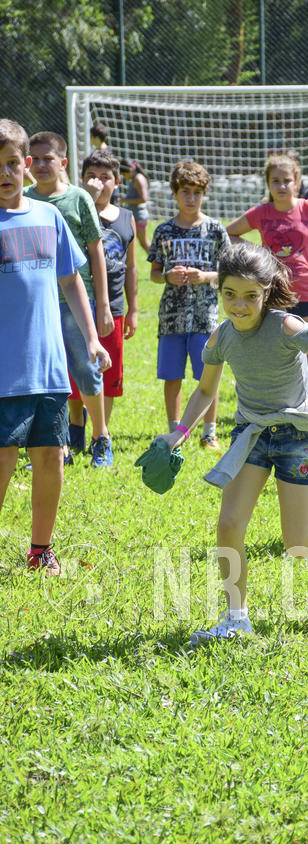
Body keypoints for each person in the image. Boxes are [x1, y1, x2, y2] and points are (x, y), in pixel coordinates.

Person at [151, 243, 308, 643]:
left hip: (299, 437)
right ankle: (237, 619)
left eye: (251, 296)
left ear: (267, 292)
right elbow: (204, 392)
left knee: (296, 545)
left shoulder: (288, 327)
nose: (239, 305)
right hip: (252, 435)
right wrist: (178, 433)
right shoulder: (221, 338)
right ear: (220, 291)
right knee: (229, 525)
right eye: (230, 294)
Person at [0, 119, 110, 574]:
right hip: (4, 371)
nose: (5, 174)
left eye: (11, 164)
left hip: (48, 368)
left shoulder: (50, 217)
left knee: (50, 457)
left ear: (26, 166)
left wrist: (90, 339)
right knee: (3, 460)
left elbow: (70, 279)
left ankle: (41, 550)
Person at [227, 153, 308, 398]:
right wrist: (257, 255)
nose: (282, 186)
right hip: (273, 291)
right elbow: (229, 233)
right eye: (276, 181)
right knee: (276, 351)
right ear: (268, 184)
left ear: (297, 182)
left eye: (287, 180)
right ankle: (281, 402)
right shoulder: (261, 213)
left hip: (304, 289)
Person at [25, 131, 115, 467]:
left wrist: (103, 305)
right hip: (37, 304)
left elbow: (96, 250)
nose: (42, 165)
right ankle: (57, 443)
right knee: (47, 373)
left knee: (86, 368)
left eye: (49, 158)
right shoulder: (23, 199)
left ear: (63, 163)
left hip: (77, 300)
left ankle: (100, 438)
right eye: (36, 158)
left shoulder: (79, 199)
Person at [148, 159, 230, 449]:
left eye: (197, 192)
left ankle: (209, 432)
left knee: (207, 376)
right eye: (185, 191)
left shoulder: (215, 229)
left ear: (204, 193)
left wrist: (205, 275)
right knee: (172, 376)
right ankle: (175, 432)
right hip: (172, 316)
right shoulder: (164, 230)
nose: (191, 197)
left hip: (205, 316)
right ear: (175, 193)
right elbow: (154, 273)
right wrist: (167, 277)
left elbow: (228, 273)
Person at [80, 149, 138, 427]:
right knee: (77, 367)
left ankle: (101, 430)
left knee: (108, 370)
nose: (98, 183)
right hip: (77, 303)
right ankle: (76, 427)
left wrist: (134, 309)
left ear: (116, 183)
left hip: (113, 307)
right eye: (91, 176)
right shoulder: (75, 210)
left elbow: (132, 267)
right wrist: (86, 200)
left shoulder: (126, 217)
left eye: (105, 177)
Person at [120, 159, 150, 253]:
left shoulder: (138, 179)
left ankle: (159, 262)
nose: (125, 177)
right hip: (135, 215)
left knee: (144, 242)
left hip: (139, 216)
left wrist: (124, 200)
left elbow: (143, 199)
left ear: (130, 170)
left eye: (124, 174)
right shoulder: (135, 178)